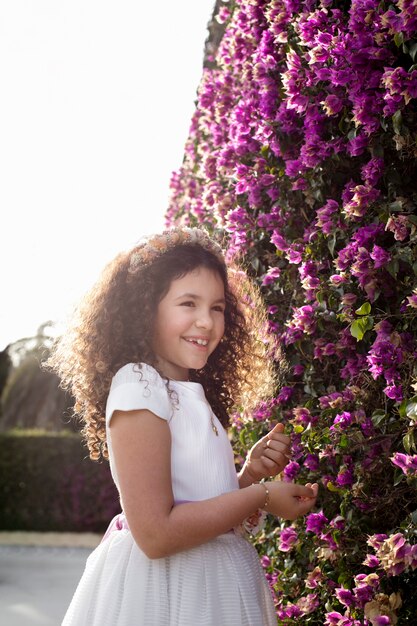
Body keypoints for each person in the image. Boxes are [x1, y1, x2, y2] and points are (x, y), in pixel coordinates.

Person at [48, 227, 318, 626]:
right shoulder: (139, 385)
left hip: (212, 583)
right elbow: (156, 534)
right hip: (167, 591)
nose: (206, 322)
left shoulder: (188, 391)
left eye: (217, 307)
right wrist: (259, 495)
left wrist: (248, 477)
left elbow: (196, 501)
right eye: (187, 303)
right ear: (145, 310)